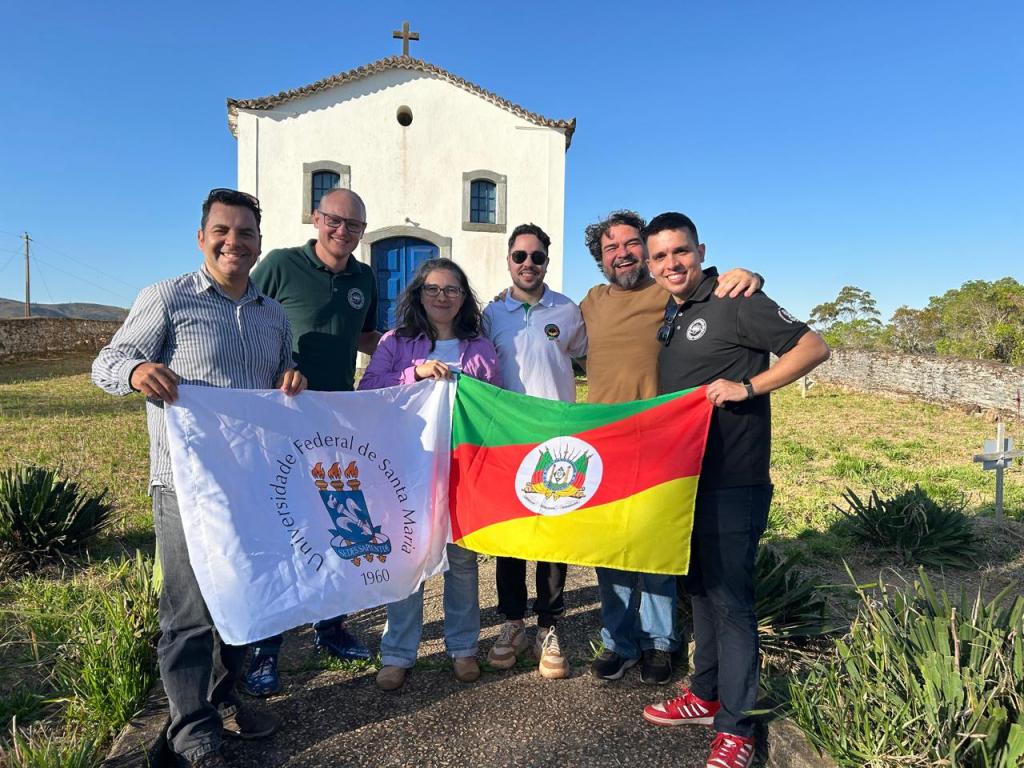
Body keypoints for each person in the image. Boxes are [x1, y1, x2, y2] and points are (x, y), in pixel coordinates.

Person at [92, 188, 307, 768]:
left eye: (245, 233)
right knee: (188, 615)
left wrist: (292, 378)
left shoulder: (271, 314)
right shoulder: (166, 298)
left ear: (259, 243)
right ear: (202, 237)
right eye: (222, 230)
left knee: (243, 599)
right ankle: (192, 733)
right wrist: (136, 370)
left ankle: (222, 700)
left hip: (253, 484)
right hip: (184, 485)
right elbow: (106, 364)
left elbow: (282, 372)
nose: (233, 242)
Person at [639, 212, 829, 768]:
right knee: (699, 591)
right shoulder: (672, 314)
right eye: (661, 256)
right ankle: (705, 694)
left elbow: (813, 347)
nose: (672, 264)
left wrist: (748, 386)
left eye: (681, 252)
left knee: (731, 601)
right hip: (688, 481)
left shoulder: (736, 298)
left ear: (700, 251)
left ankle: (738, 728)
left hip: (733, 480)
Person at [579, 210, 762, 686]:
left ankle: (661, 642)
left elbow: (718, 288)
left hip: (662, 437)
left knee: (658, 541)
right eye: (610, 248)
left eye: (630, 243)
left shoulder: (670, 291)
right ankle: (618, 640)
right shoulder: (590, 302)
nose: (622, 253)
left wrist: (750, 275)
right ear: (600, 259)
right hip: (605, 441)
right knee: (612, 547)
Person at [242, 187, 381, 695]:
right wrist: (280, 367)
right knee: (281, 529)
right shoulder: (280, 264)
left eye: (354, 226)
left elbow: (367, 337)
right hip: (282, 420)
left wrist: (417, 342)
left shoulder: (363, 277)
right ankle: (266, 649)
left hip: (337, 422)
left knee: (339, 522)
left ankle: (331, 628)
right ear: (316, 219)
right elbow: (246, 317)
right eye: (334, 221)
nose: (342, 232)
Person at [357, 257, 502, 691]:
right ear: (419, 295)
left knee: (462, 563)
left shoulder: (478, 347)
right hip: (408, 467)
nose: (443, 297)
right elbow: (368, 391)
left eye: (452, 289)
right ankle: (399, 653)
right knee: (407, 558)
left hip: (462, 469)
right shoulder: (396, 341)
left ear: (464, 298)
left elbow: (495, 404)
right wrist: (413, 373)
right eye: (433, 289)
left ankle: (462, 648)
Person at [481, 223, 587, 680]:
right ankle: (512, 623)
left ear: (547, 261)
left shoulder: (567, 310)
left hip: (556, 443)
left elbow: (588, 357)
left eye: (537, 257)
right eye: (520, 256)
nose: (528, 264)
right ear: (509, 260)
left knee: (552, 538)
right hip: (506, 439)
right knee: (510, 539)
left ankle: (549, 625)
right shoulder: (489, 313)